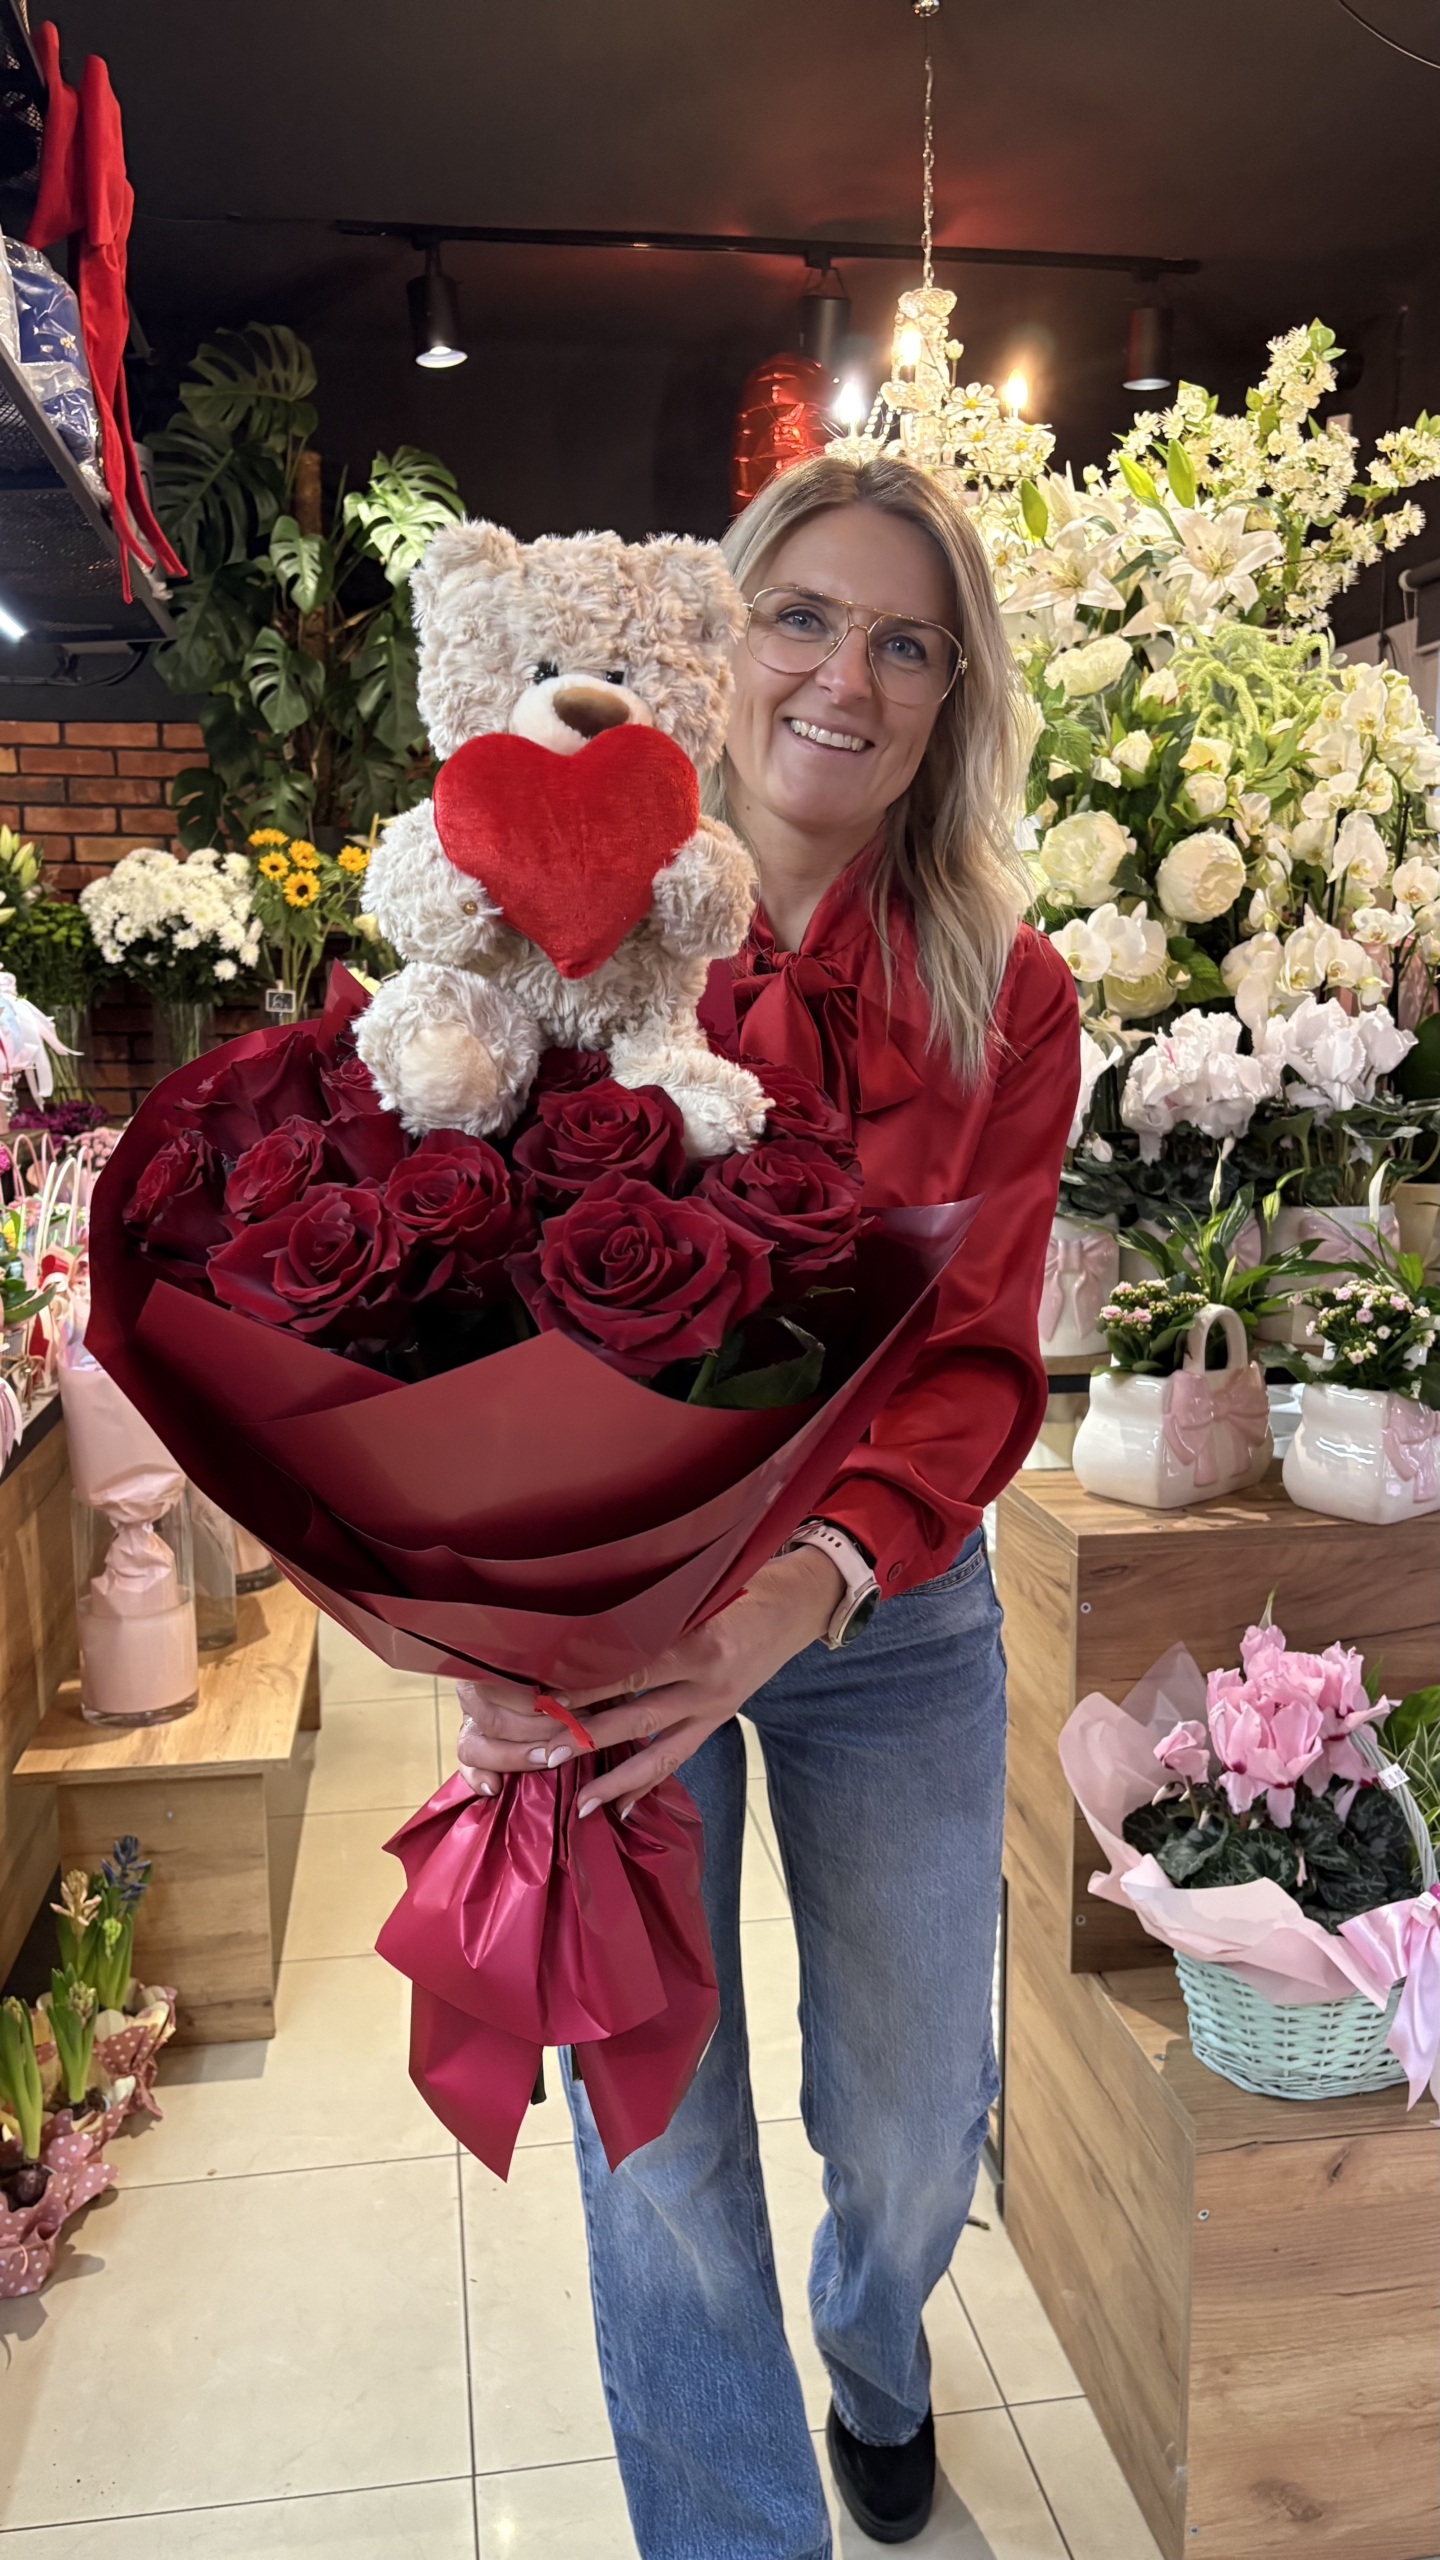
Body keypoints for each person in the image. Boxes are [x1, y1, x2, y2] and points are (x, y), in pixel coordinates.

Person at [454, 453, 1080, 2558]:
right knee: (660, 2148)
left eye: (908, 641)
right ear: (718, 644)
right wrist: (479, 1623)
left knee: (913, 2118)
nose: (847, 675)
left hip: (885, 1618)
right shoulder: (566, 938)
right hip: (624, 1628)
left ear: (953, 694)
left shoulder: (1011, 992)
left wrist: (797, 1590)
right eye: (803, 615)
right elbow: (454, 1305)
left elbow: (976, 1349)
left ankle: (877, 2340)